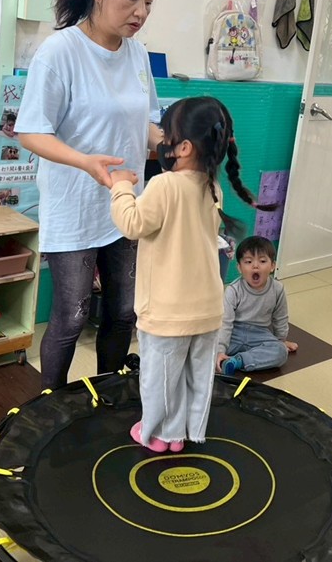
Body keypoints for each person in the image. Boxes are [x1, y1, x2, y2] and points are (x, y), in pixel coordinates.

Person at [15, 0, 163, 389]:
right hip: (75, 203)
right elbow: (31, 132)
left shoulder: (138, 54)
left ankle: (109, 397)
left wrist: (180, 143)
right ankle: (51, 407)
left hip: (126, 203)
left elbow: (148, 123)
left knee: (122, 311)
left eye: (149, 1)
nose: (141, 11)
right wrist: (84, 162)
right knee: (72, 315)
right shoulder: (59, 52)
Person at [109, 96, 265, 452]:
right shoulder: (212, 186)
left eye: (167, 136)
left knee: (161, 377)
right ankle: (181, 433)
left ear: (183, 147)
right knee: (194, 376)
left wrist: (120, 187)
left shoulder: (164, 186)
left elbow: (132, 224)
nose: (163, 142)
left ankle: (158, 435)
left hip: (168, 309)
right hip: (207, 308)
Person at [216, 236, 298, 375]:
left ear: (272, 266)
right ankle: (229, 358)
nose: (255, 266)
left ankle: (238, 361)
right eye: (248, 262)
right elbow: (225, 323)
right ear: (239, 268)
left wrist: (280, 340)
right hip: (234, 333)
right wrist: (220, 350)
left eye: (262, 261)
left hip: (259, 333)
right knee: (207, 348)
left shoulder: (278, 289)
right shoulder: (233, 290)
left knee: (281, 352)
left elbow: (281, 318)